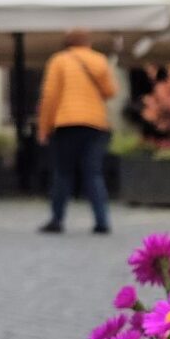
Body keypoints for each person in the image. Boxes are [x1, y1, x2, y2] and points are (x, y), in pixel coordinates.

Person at [37, 29, 117, 235]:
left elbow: (50, 97)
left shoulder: (59, 61)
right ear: (88, 43)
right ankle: (102, 220)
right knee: (94, 173)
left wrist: (44, 128)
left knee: (63, 172)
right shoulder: (99, 60)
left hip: (66, 123)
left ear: (65, 43)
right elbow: (110, 91)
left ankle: (57, 219)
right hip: (95, 123)